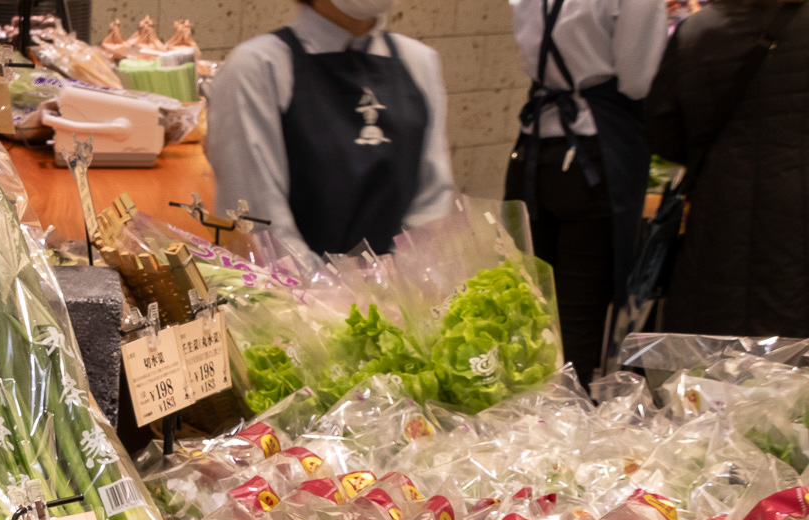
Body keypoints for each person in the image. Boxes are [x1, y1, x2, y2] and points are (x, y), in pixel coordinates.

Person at [205, 0, 457, 257]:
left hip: (407, 291)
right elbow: (259, 222)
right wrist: (329, 292)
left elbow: (433, 202)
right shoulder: (257, 67)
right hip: (296, 290)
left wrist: (408, 283)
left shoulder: (419, 61)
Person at [505, 0, 665, 383]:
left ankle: (529, 418)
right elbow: (638, 79)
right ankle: (566, 423)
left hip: (536, 151)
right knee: (578, 316)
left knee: (534, 306)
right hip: (595, 156)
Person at [645, 0, 809, 337]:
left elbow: (661, 133)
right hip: (797, 222)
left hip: (717, 218)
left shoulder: (697, 31)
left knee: (717, 360)